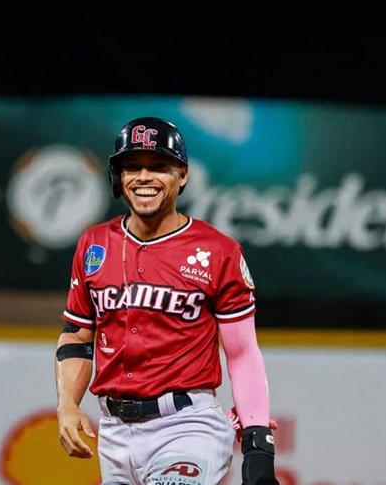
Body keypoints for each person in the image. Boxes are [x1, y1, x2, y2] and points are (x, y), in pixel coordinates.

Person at [54, 116, 278, 484]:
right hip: (114, 433)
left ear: (182, 175)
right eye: (132, 167)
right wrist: (66, 405)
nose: (144, 177)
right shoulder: (94, 245)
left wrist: (258, 443)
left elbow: (242, 352)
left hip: (187, 425)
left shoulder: (217, 251)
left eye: (159, 166)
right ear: (119, 177)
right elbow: (77, 337)